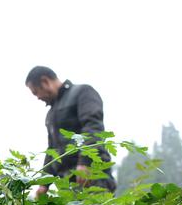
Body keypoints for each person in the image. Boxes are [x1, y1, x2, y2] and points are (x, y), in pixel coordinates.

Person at [25, 66, 116, 195]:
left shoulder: (83, 92)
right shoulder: (51, 114)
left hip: (91, 176)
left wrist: (85, 162)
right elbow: (52, 150)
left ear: (45, 81)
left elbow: (93, 127)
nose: (37, 97)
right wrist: (43, 184)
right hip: (67, 182)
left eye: (36, 92)